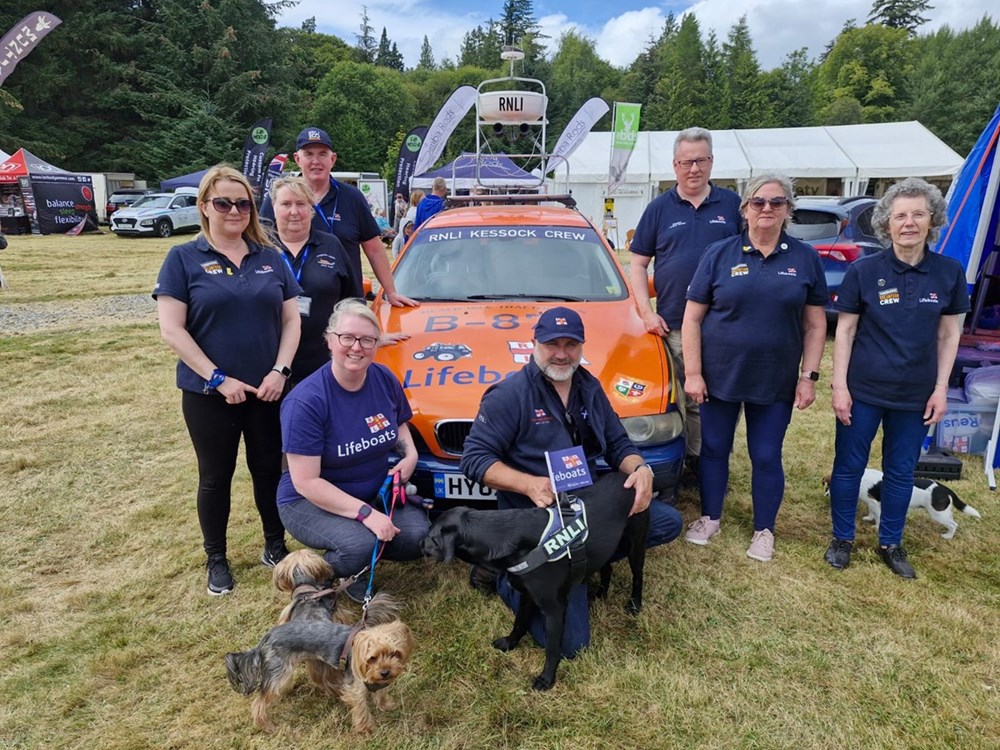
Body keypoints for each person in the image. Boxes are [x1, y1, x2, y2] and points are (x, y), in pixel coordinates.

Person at [461, 306, 684, 657]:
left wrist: (640, 468)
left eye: (571, 344)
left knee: (667, 522)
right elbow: (474, 460)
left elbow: (617, 444)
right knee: (571, 645)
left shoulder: (588, 387)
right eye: (552, 344)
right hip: (537, 521)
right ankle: (505, 576)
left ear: (582, 346)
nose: (562, 353)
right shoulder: (510, 395)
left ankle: (580, 566)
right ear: (534, 343)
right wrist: (529, 484)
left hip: (583, 509)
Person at [153, 165, 302, 596]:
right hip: (208, 393)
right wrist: (218, 378)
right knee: (215, 476)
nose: (234, 210)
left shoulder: (269, 256)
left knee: (268, 470)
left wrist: (280, 371)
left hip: (267, 389)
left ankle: (275, 544)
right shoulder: (183, 258)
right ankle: (216, 558)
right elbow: (172, 330)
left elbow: (291, 319)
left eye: (243, 202)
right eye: (223, 202)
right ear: (205, 206)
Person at [824, 178, 969, 579]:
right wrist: (839, 387)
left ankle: (891, 542)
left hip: (915, 395)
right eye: (901, 215)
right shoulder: (864, 271)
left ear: (932, 220)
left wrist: (941, 389)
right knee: (848, 467)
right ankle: (842, 539)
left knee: (901, 471)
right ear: (887, 222)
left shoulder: (949, 273)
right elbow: (846, 331)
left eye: (918, 214)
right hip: (863, 391)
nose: (909, 223)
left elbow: (948, 334)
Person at [681, 174, 827, 562]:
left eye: (776, 203)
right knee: (714, 448)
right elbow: (691, 319)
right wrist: (693, 373)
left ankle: (764, 530)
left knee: (766, 455)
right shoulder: (719, 254)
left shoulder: (805, 258)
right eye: (758, 202)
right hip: (719, 375)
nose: (767, 209)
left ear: (788, 211)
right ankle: (710, 518)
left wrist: (808, 376)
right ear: (744, 209)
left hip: (774, 377)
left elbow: (815, 325)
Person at [278, 298, 430, 601]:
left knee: (418, 537)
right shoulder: (306, 401)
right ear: (330, 340)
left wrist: (410, 455)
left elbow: (399, 423)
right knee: (359, 543)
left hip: (370, 491)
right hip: (308, 501)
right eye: (347, 337)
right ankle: (310, 574)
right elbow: (306, 481)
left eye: (367, 340)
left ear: (377, 344)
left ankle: (358, 556)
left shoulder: (384, 378)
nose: (356, 347)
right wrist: (367, 515)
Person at [629, 128, 742, 483]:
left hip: (725, 324)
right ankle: (689, 463)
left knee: (720, 399)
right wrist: (647, 312)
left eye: (701, 161)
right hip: (675, 323)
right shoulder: (659, 208)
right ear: (675, 165)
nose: (694, 168)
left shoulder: (732, 206)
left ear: (712, 163)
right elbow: (637, 264)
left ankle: (712, 461)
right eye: (686, 162)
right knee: (682, 398)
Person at [259, 126, 417, 308]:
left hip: (344, 305)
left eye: (322, 154)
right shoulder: (278, 199)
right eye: (309, 154)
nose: (315, 161)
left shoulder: (352, 197)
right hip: (286, 303)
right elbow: (260, 246)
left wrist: (391, 292)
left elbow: (374, 249)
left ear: (332, 159)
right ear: (297, 159)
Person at [269, 175, 362, 386]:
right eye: (286, 204)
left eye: (301, 203)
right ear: (274, 207)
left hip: (323, 363)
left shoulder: (331, 245)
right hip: (269, 367)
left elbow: (353, 301)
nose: (294, 211)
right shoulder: (259, 248)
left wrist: (369, 335)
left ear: (311, 209)